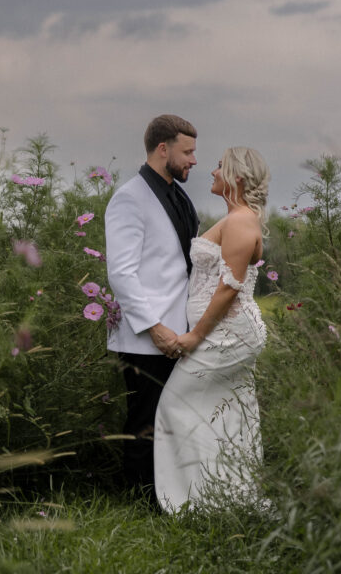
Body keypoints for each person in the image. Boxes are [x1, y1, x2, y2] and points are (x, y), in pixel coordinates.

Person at [154, 146, 270, 512]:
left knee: (175, 404)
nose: (212, 171)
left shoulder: (240, 222)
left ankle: (189, 500)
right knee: (229, 412)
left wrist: (194, 335)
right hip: (225, 332)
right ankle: (225, 498)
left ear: (236, 176)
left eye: (220, 166)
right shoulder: (236, 216)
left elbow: (228, 289)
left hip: (227, 334)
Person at [105, 114, 199, 499]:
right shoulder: (129, 197)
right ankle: (139, 502)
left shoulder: (179, 195)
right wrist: (154, 326)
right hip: (146, 337)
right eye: (188, 151)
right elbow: (121, 273)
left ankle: (166, 496)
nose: (194, 160)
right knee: (144, 421)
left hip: (178, 332)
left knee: (169, 420)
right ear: (164, 149)